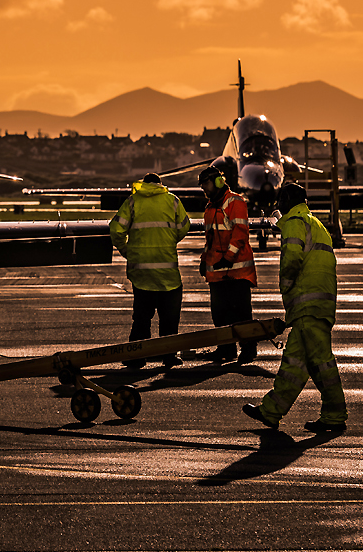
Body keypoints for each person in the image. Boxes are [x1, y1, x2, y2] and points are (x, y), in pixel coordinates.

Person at [244, 182, 347, 434]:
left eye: (281, 199)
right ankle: (271, 411)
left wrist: (286, 287)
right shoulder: (316, 223)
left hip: (306, 303)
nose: (278, 204)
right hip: (318, 303)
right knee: (295, 364)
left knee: (322, 363)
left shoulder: (294, 222)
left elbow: (292, 258)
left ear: (288, 200)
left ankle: (335, 414)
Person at [109, 172, 191, 369]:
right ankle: (169, 356)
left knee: (142, 318)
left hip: (142, 273)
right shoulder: (172, 201)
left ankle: (137, 357)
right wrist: (168, 242)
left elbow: (116, 229)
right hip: (168, 273)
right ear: (160, 184)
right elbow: (184, 227)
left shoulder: (132, 202)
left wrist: (126, 250)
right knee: (169, 319)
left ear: (143, 184)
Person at [198, 166, 257, 364]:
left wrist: (228, 258)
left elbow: (240, 234)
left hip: (237, 272)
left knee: (241, 313)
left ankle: (248, 349)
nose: (204, 189)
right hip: (217, 272)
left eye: (205, 185)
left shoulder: (235, 202)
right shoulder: (210, 207)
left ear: (217, 182)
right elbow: (211, 239)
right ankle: (226, 348)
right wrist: (204, 260)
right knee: (219, 313)